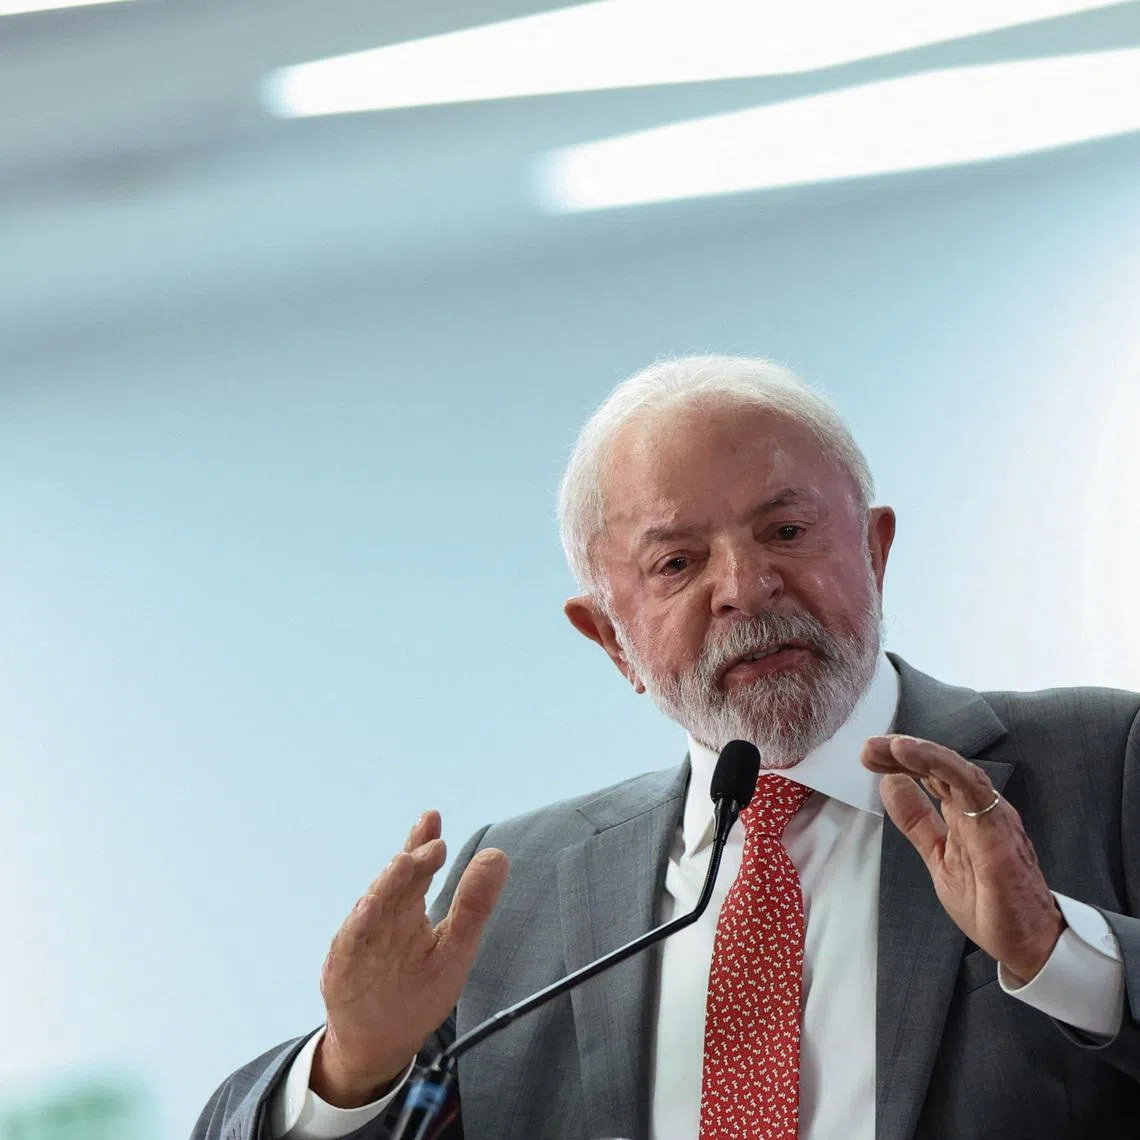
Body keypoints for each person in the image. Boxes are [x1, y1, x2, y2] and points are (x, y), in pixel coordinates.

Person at [193, 355, 1140, 1140]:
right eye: (678, 563)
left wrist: (1062, 955)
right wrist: (354, 1069)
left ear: (875, 550)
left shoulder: (1104, 761)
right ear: (610, 639)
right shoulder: (518, 887)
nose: (746, 587)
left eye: (787, 530)